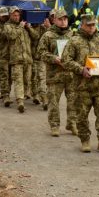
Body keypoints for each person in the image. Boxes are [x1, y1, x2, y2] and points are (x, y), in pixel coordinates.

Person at [62, 12, 99, 153]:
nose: (91, 28)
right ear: (82, 25)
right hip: (81, 85)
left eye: (93, 25)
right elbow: (66, 60)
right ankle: (85, 140)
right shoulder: (74, 41)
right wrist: (80, 69)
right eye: (88, 25)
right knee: (82, 115)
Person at [38, 9, 77, 137]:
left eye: (65, 19)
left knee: (73, 101)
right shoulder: (48, 35)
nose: (63, 21)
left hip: (71, 75)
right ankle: (54, 125)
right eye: (60, 19)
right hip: (55, 75)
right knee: (53, 102)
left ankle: (72, 123)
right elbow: (41, 53)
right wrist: (54, 58)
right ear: (54, 20)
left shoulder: (73, 35)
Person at [2, 6, 33, 113]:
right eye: (14, 15)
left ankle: (23, 96)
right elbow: (11, 36)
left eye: (18, 15)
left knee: (27, 81)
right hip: (16, 59)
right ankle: (20, 102)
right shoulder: (7, 26)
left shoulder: (24, 26)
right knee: (18, 81)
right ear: (10, 16)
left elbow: (36, 36)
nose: (16, 17)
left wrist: (29, 28)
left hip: (27, 59)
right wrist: (20, 27)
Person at [0, 7, 11, 107]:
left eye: (6, 15)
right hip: (2, 54)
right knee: (4, 75)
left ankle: (5, 92)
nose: (5, 17)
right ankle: (5, 96)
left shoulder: (10, 23)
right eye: (3, 16)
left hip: (12, 54)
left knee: (10, 76)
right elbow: (0, 36)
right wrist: (8, 27)